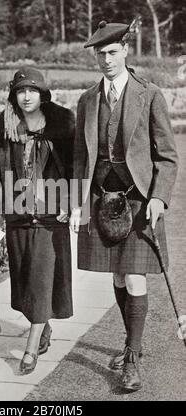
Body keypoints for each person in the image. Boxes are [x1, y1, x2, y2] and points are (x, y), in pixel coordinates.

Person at [70, 21, 178, 391]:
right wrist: (76, 203)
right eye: (100, 54)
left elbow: (167, 156)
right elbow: (79, 158)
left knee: (134, 276)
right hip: (102, 199)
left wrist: (159, 197)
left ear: (125, 51)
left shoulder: (149, 95)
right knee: (117, 275)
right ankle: (133, 341)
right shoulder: (86, 100)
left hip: (138, 199)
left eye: (112, 52)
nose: (106, 59)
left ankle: (132, 357)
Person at [0, 67, 75, 374]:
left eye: (33, 90)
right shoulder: (2, 129)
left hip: (50, 216)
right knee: (26, 282)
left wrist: (71, 202)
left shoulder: (61, 125)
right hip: (18, 214)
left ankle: (30, 350)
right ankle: (42, 328)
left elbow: (76, 166)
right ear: (13, 95)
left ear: (43, 94)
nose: (27, 96)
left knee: (43, 279)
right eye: (21, 91)